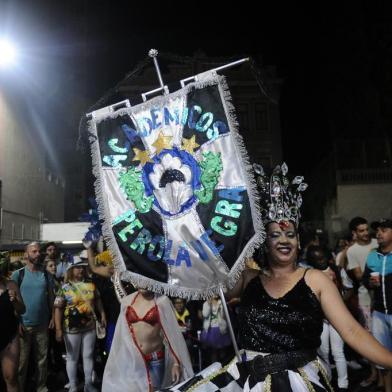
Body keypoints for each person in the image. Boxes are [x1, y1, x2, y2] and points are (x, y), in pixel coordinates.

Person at [174, 163, 392, 392]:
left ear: (298, 240)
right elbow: (209, 282)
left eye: (290, 234)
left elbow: (352, 331)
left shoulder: (315, 280)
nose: (283, 240)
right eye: (274, 235)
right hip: (247, 381)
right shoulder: (248, 278)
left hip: (298, 382)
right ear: (264, 242)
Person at [102, 287, 194, 391]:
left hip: (155, 359)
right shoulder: (127, 301)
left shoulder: (162, 301)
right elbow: (122, 333)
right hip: (134, 359)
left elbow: (172, 334)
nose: (141, 283)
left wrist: (176, 363)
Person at [54, 256, 107, 392]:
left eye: (82, 267)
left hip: (89, 326)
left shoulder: (91, 284)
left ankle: (88, 384)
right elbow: (58, 309)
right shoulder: (64, 288)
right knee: (72, 357)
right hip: (71, 329)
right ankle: (73, 385)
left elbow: (98, 300)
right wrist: (58, 329)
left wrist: (102, 314)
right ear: (71, 269)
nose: (81, 270)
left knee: (88, 355)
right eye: (78, 267)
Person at [11, 242, 54, 392]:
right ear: (26, 254)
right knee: (21, 363)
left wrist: (53, 318)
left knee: (42, 361)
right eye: (34, 251)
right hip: (24, 325)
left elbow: (51, 298)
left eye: (38, 251)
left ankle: (41, 387)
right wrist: (16, 322)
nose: (37, 254)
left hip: (42, 325)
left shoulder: (46, 274)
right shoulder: (18, 274)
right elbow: (12, 301)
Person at [307, 245, 348, 391]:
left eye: (322, 258)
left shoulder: (336, 271)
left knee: (338, 352)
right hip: (320, 320)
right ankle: (328, 381)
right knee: (323, 352)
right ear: (311, 261)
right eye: (316, 259)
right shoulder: (309, 274)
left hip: (337, 318)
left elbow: (348, 288)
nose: (320, 261)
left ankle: (343, 385)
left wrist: (340, 304)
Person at [363, 218, 392, 392]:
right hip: (379, 314)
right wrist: (369, 283)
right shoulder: (373, 255)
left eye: (384, 230)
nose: (378, 234)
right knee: (383, 357)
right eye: (377, 230)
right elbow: (365, 279)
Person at [0, 252, 25, 392]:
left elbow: (22, 310)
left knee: (11, 377)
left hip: (9, 336)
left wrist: (15, 300)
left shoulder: (11, 285)